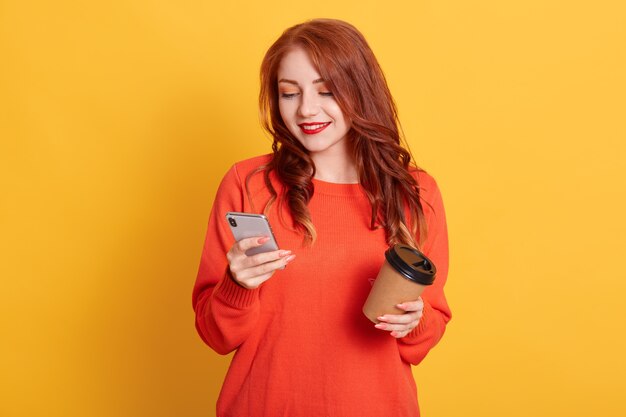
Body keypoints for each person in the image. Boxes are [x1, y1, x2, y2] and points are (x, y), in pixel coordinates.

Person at [192, 18, 451, 417]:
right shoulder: (248, 183)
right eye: (289, 93)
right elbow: (216, 335)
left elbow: (420, 342)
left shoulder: (415, 193)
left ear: (360, 92)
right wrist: (237, 284)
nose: (306, 109)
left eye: (327, 91)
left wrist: (413, 321)